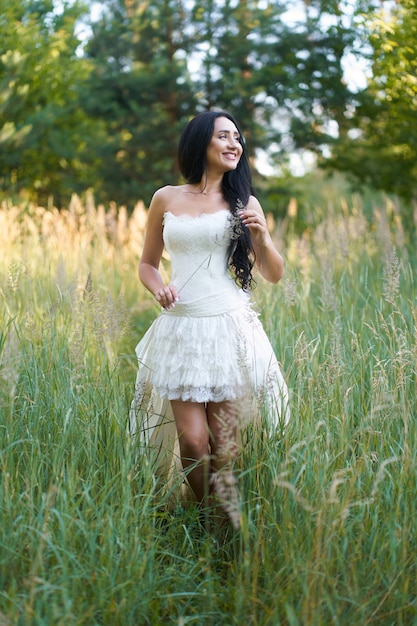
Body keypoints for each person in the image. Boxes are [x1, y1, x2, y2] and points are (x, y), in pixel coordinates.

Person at [129, 110, 288, 527]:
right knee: (194, 441)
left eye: (238, 137)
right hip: (182, 326)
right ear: (201, 142)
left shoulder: (244, 202)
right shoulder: (166, 198)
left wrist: (264, 237)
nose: (234, 144)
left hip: (228, 325)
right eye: (224, 136)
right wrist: (158, 285)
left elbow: (273, 273)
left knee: (225, 445)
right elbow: (146, 264)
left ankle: (223, 526)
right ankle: (206, 515)